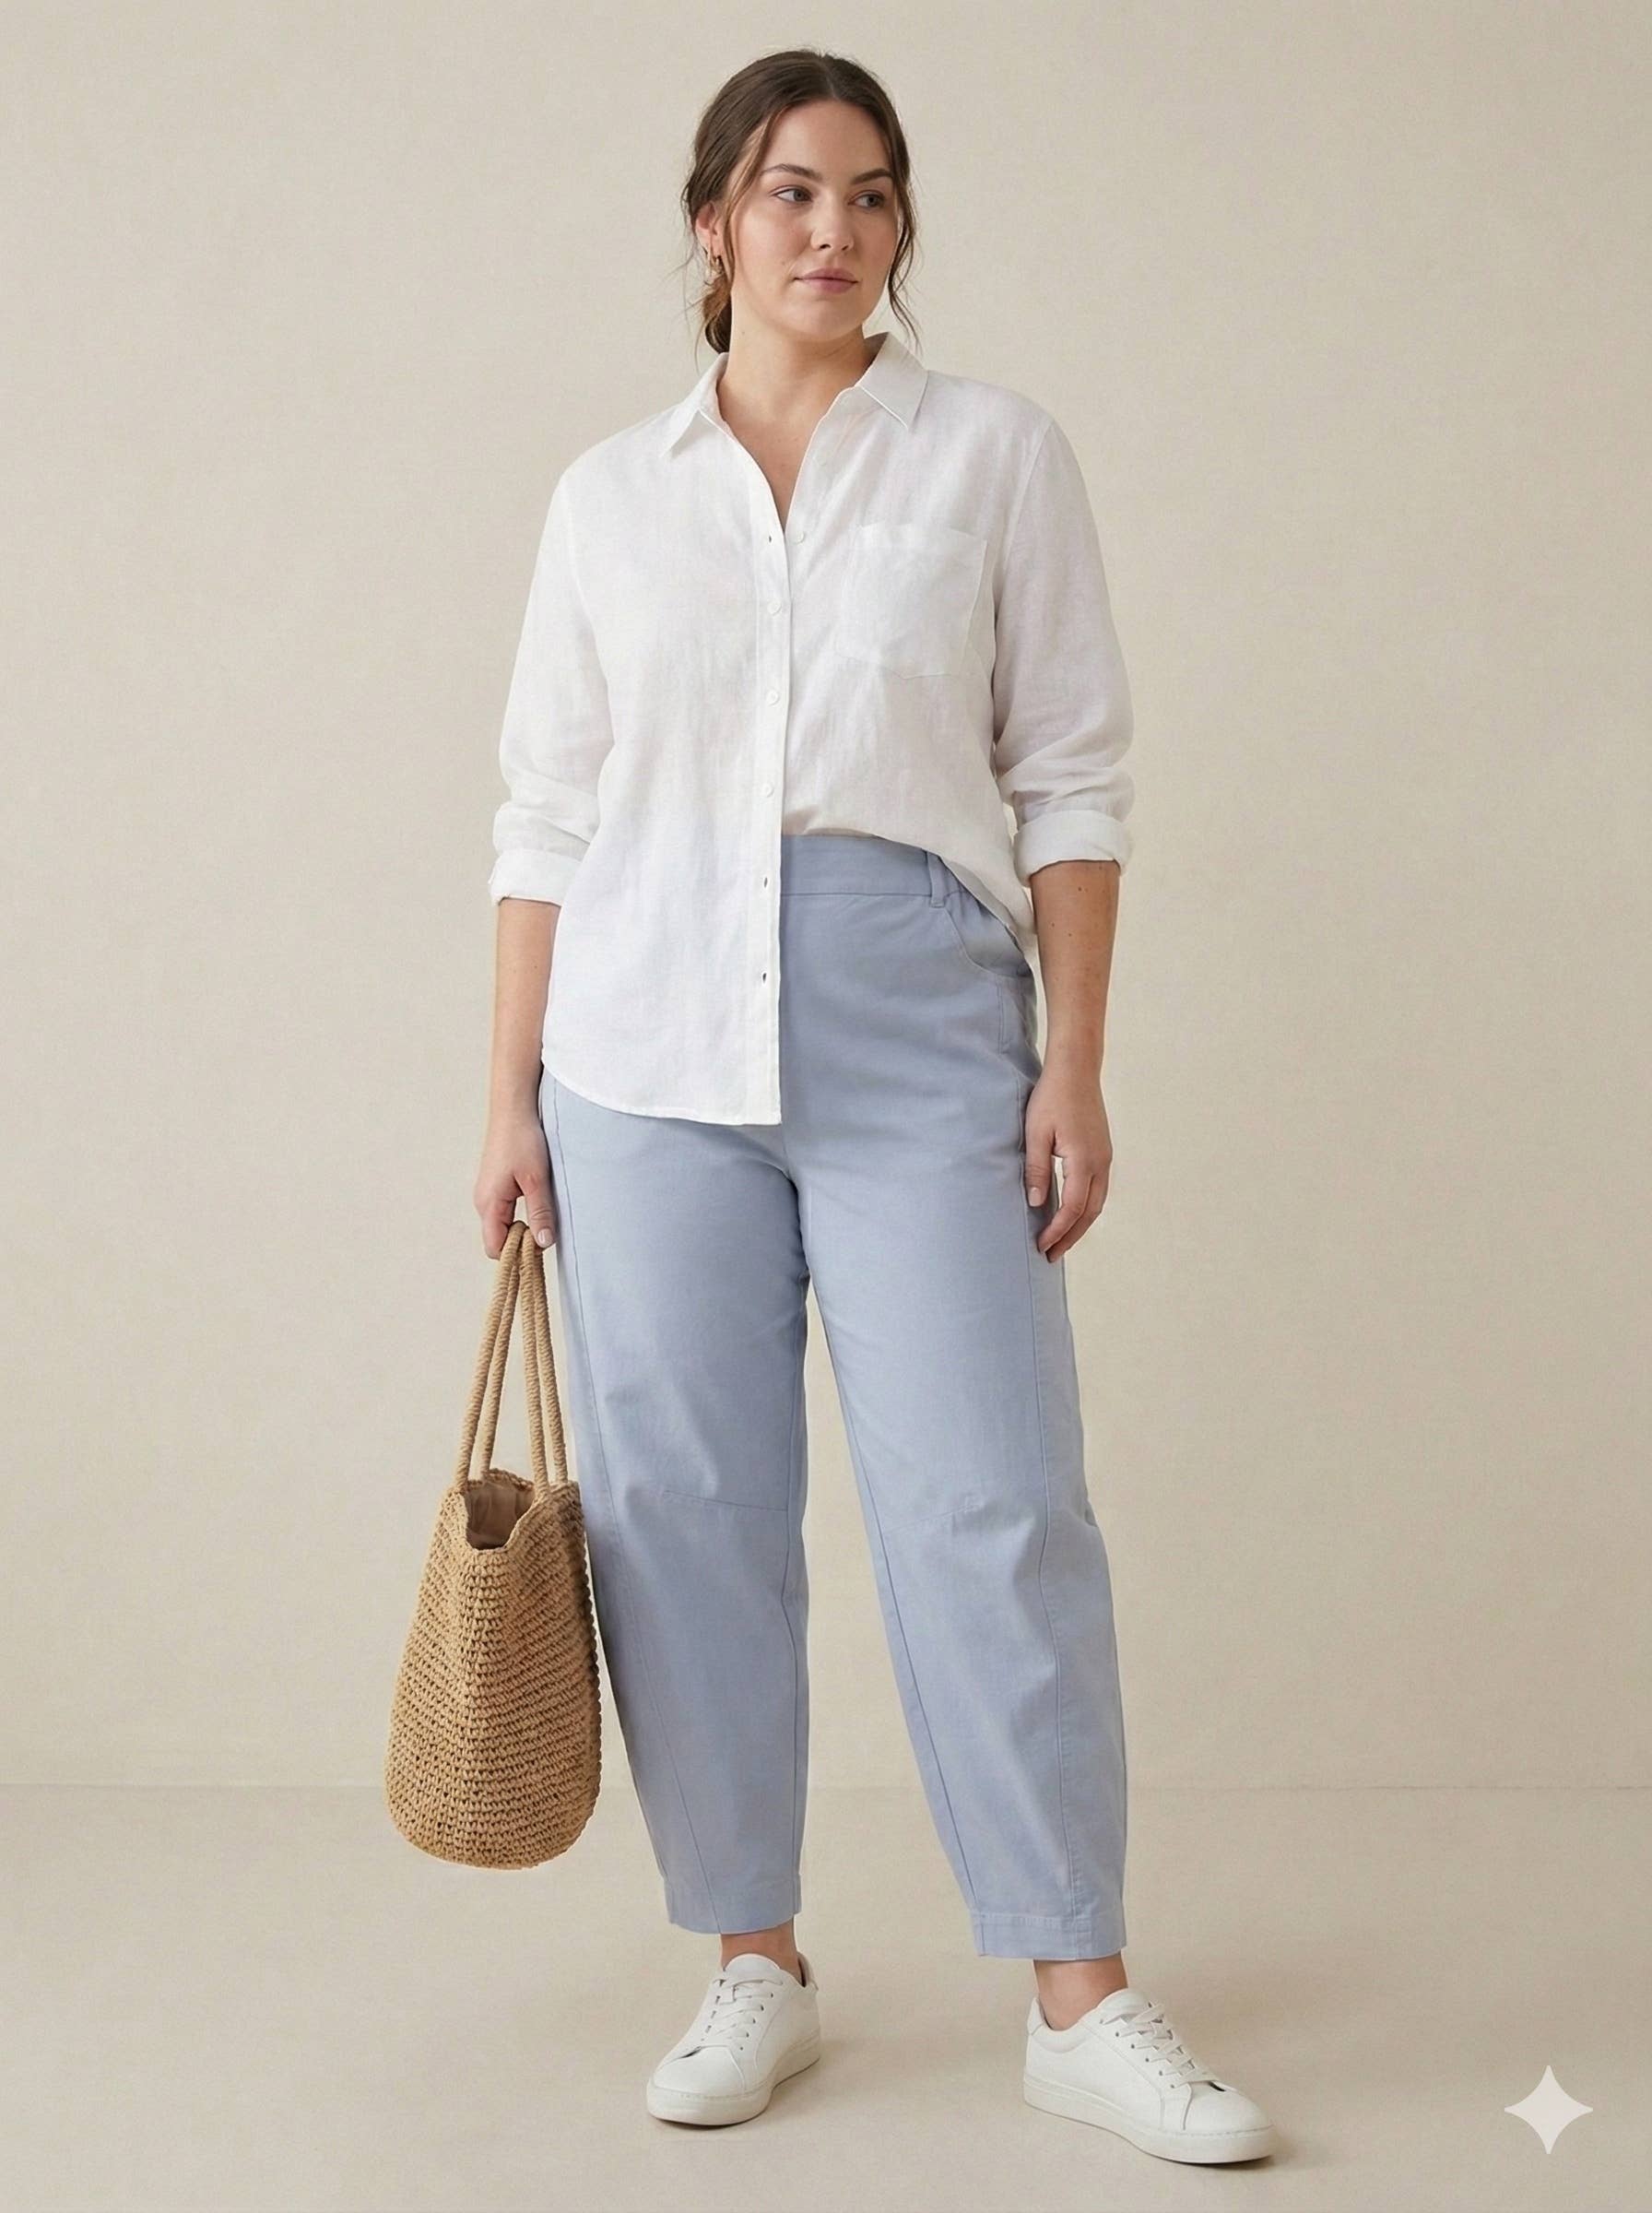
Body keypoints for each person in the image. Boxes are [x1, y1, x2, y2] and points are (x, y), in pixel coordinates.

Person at [473, 46, 1278, 2168]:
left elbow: (1069, 779)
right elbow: (544, 813)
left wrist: (1070, 1062)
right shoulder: (607, 497)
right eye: (788, 191)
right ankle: (752, 1957)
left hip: (917, 1016)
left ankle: (1076, 1995)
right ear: (711, 226)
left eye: (869, 194)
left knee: (992, 1501)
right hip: (640, 1047)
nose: (832, 230)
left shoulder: (991, 456)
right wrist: (507, 1099)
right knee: (686, 1515)